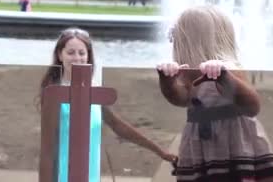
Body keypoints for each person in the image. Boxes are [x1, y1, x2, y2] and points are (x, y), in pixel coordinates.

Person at [157, 6, 273, 182]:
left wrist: (224, 77)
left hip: (234, 140)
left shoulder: (231, 68)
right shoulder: (188, 71)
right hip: (199, 142)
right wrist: (167, 81)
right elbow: (180, 99)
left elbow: (252, 106)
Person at [39, 28, 177, 182]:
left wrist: (160, 152)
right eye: (70, 53)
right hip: (62, 176)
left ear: (88, 56)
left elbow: (118, 126)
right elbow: (46, 149)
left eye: (81, 53)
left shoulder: (93, 91)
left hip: (91, 175)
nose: (77, 58)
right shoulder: (54, 93)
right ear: (60, 55)